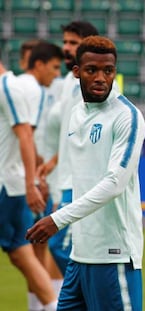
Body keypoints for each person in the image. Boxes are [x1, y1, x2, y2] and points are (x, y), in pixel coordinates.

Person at [26, 35, 145, 311]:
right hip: (79, 258)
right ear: (77, 72)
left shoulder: (127, 116)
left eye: (108, 70)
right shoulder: (77, 114)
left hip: (113, 256)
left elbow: (115, 183)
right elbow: (79, 173)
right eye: (92, 70)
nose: (101, 78)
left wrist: (57, 219)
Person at [37, 21, 99, 276]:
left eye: (73, 43)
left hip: (79, 181)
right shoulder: (67, 82)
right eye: (65, 42)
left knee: (61, 248)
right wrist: (52, 163)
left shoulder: (89, 85)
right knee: (62, 250)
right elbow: (68, 133)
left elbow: (87, 136)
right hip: (63, 179)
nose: (66, 47)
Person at [0, 61, 58, 311]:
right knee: (22, 252)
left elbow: (25, 133)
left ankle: (53, 305)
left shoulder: (7, 87)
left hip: (6, 184)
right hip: (12, 182)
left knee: (21, 251)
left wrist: (30, 182)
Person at [18, 40, 65, 311]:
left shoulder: (52, 89)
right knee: (30, 249)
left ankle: (49, 305)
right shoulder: (30, 89)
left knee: (38, 247)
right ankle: (41, 306)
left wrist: (43, 170)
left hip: (46, 176)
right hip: (35, 174)